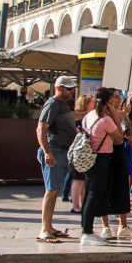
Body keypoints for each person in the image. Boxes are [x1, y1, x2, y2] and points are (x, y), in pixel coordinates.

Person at [78, 88, 125, 246]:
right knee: (94, 196)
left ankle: (86, 230)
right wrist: (115, 116)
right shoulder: (105, 120)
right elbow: (119, 138)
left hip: (89, 158)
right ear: (108, 101)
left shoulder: (88, 116)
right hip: (102, 159)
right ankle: (87, 232)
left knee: (89, 195)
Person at [35, 75, 78, 243]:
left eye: (73, 88)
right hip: (54, 151)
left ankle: (50, 227)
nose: (72, 91)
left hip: (62, 152)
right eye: (69, 89)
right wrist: (47, 152)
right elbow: (40, 129)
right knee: (51, 191)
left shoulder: (62, 105)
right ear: (58, 88)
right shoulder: (52, 104)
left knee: (54, 191)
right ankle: (44, 230)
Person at [99, 92, 132, 240]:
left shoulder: (124, 113)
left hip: (121, 151)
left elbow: (129, 133)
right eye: (115, 96)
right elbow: (118, 136)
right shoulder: (106, 114)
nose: (119, 98)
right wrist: (121, 116)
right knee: (105, 188)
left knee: (122, 187)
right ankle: (105, 226)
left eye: (119, 96)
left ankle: (123, 225)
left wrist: (128, 124)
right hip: (107, 152)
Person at [67, 94, 93, 215]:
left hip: (85, 153)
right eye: (92, 102)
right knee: (78, 180)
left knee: (83, 181)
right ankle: (76, 205)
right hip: (79, 152)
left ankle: (82, 204)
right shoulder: (78, 117)